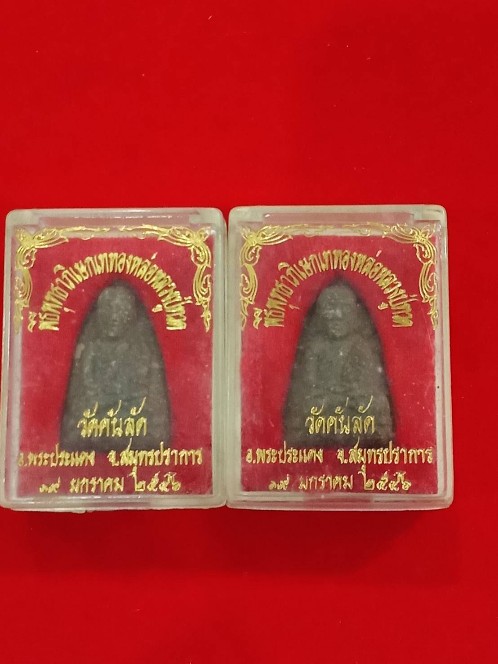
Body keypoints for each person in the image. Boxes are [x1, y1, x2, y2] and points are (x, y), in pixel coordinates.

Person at [61, 280, 170, 451]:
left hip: (134, 427)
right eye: (108, 310)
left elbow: (153, 412)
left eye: (120, 310)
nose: (113, 317)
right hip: (93, 430)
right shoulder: (89, 352)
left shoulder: (142, 354)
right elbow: (79, 406)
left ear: (129, 316)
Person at [283, 279, 394, 447]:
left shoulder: (361, 346)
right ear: (322, 317)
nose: (337, 318)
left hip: (352, 404)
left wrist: (352, 394)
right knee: (301, 407)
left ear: (353, 316)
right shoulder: (316, 346)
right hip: (323, 404)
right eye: (331, 315)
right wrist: (328, 396)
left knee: (378, 405)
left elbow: (368, 388)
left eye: (343, 313)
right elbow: (308, 386)